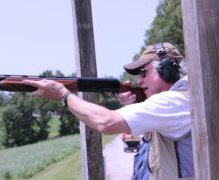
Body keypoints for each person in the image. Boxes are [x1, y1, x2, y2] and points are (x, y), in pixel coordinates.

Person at [22, 42, 194, 180]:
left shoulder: (172, 102)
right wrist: (132, 103)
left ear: (167, 69)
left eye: (143, 73)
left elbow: (106, 123)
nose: (139, 81)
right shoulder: (182, 100)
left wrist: (63, 94)